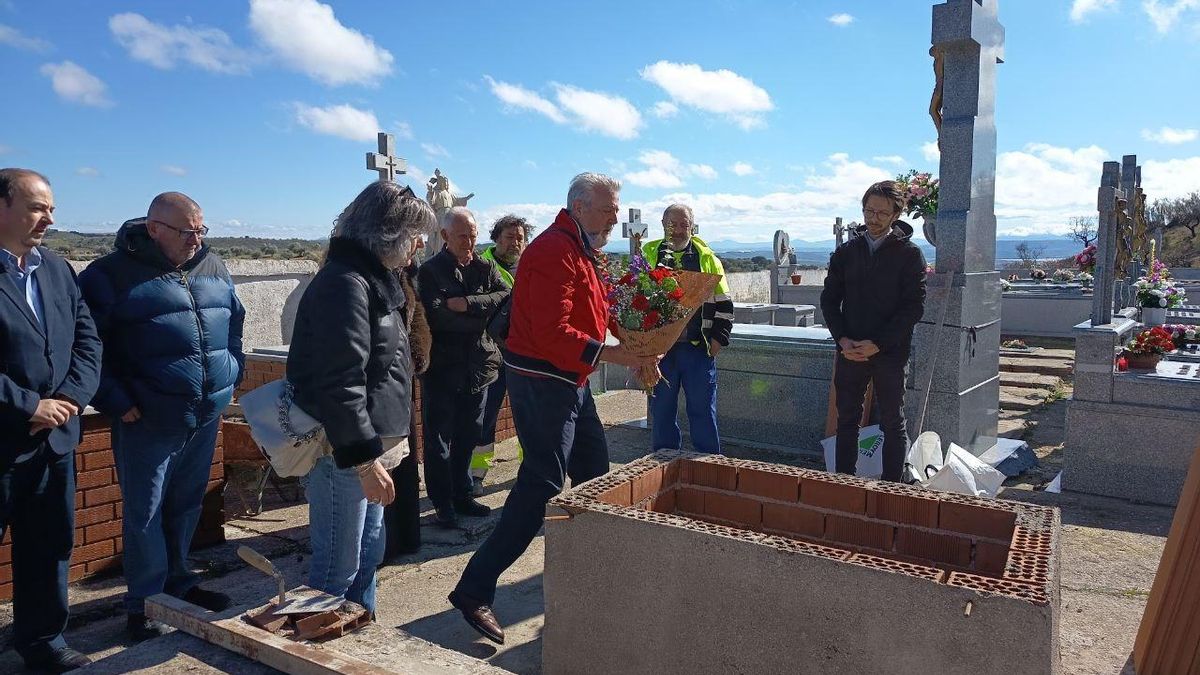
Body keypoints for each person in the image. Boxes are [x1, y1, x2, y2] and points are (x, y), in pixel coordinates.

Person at [449, 172, 658, 644]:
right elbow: (552, 335)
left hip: (571, 381)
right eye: (607, 209)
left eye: (616, 208)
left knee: (595, 473)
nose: (614, 217)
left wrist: (640, 344)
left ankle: (590, 575)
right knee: (541, 482)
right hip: (543, 381)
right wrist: (622, 355)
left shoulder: (583, 250)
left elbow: (600, 311)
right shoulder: (551, 251)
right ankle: (474, 587)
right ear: (579, 207)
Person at [80, 192, 245, 640]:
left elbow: (233, 322)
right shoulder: (108, 276)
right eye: (187, 231)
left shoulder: (212, 266)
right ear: (154, 229)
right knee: (146, 513)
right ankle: (146, 604)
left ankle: (179, 581)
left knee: (186, 503)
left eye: (201, 230)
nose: (196, 239)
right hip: (146, 416)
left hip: (205, 411)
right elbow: (88, 345)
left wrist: (232, 370)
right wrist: (115, 399)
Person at [286, 182, 435, 616]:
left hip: (371, 447)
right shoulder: (346, 285)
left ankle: (354, 636)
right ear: (388, 233)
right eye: (414, 233)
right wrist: (365, 462)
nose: (421, 244)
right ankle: (313, 651)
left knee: (367, 558)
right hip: (345, 455)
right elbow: (341, 382)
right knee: (337, 569)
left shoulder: (377, 278)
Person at [0, 169, 101, 673]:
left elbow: (88, 341)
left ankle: (43, 643)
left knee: (48, 547)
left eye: (51, 208)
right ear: (3, 207)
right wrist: (28, 405)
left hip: (53, 442)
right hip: (4, 440)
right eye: (38, 207)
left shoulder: (57, 269)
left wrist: (68, 400)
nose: (49, 217)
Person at [820, 180, 926, 483]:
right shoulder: (847, 252)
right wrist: (842, 338)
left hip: (889, 352)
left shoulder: (909, 255)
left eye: (881, 212)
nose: (873, 218)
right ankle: (844, 483)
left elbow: (913, 308)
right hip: (850, 348)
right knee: (847, 420)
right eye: (869, 211)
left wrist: (878, 343)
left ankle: (892, 488)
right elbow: (829, 299)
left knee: (893, 421)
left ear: (896, 214)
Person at [418, 207, 507, 527]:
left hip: (478, 368)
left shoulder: (485, 267)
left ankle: (463, 494)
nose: (469, 242)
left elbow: (505, 296)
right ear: (444, 236)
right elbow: (437, 317)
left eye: (473, 236)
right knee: (439, 440)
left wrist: (469, 304)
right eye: (462, 237)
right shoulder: (430, 272)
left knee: (469, 435)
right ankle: (443, 503)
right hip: (443, 369)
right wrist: (481, 319)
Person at [642, 204, 734, 455]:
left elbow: (725, 304)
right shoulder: (648, 257)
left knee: (702, 412)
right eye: (673, 224)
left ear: (692, 226)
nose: (679, 230)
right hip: (661, 354)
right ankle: (664, 467)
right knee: (661, 412)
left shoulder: (708, 259)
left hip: (698, 350)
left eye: (684, 224)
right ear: (663, 224)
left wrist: (717, 342)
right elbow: (635, 304)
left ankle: (709, 466)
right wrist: (640, 349)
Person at [469, 214, 530, 493]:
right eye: (509, 237)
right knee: (486, 415)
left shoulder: (531, 264)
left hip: (524, 353)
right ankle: (477, 473)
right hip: (490, 354)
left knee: (527, 415)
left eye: (520, 237)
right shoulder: (481, 266)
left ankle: (529, 468)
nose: (515, 243)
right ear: (496, 238)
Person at [382, 259, 431, 561]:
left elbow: (418, 317)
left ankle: (406, 538)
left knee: (405, 465)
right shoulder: (364, 278)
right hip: (381, 390)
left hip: (403, 382)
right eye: (413, 237)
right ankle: (384, 546)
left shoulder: (404, 275)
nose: (419, 246)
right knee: (384, 470)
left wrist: (418, 352)